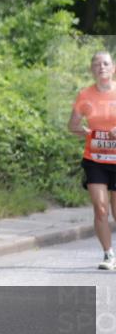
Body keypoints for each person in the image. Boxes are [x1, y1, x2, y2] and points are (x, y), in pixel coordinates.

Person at [68, 50, 116, 270]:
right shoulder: (85, 95)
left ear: (113, 68)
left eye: (105, 63)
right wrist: (83, 131)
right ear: (91, 69)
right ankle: (108, 255)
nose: (101, 67)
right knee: (100, 208)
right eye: (97, 64)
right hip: (95, 159)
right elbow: (72, 125)